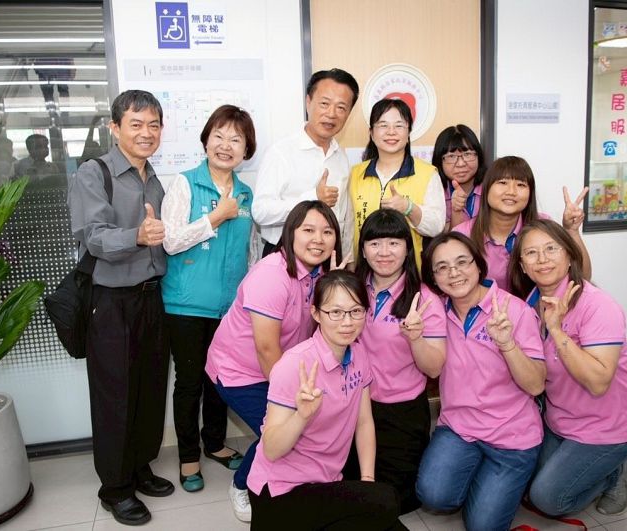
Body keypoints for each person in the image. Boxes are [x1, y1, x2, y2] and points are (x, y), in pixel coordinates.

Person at [206, 200, 346, 522]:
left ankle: (296, 482)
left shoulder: (322, 274)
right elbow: (267, 349)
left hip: (280, 366)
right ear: (291, 233)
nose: (318, 239)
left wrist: (336, 287)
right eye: (308, 230)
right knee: (279, 428)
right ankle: (241, 484)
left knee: (301, 425)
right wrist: (288, 402)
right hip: (239, 372)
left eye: (327, 232)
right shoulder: (272, 275)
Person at [68, 90, 171, 526]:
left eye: (154, 125)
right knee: (115, 396)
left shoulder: (156, 179)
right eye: (136, 124)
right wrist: (137, 236)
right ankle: (114, 487)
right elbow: (92, 237)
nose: (146, 133)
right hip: (111, 303)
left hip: (152, 297)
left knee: (149, 389)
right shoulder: (94, 173)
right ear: (115, 128)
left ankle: (139, 466)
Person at [509, 219, 627, 517]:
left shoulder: (597, 305)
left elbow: (598, 381)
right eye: (531, 253)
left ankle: (615, 471)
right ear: (522, 266)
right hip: (561, 420)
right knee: (524, 484)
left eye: (551, 249)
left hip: (607, 426)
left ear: (570, 255)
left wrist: (556, 330)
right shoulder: (528, 304)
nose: (542, 259)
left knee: (548, 499)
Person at [247, 270, 406, 530]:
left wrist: (367, 480)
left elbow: (364, 422)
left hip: (325, 484)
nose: (347, 322)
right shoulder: (295, 365)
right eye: (336, 312)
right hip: (280, 492)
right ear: (316, 313)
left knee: (385, 514)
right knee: (385, 501)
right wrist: (301, 416)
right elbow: (271, 449)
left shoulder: (359, 355)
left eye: (356, 311)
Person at [416, 232, 546, 531]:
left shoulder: (513, 310)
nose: (454, 273)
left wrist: (507, 343)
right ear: (433, 278)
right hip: (459, 428)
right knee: (433, 495)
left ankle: (503, 479)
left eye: (462, 262)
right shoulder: (435, 313)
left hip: (512, 436)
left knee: (483, 526)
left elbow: (536, 386)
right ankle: (481, 475)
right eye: (442, 267)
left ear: (478, 265)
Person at [160, 105, 256, 493]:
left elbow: (251, 252)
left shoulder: (246, 194)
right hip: (185, 305)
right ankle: (188, 457)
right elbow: (170, 241)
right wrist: (217, 216)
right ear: (205, 141)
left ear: (246, 150)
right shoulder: (184, 184)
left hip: (229, 308)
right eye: (219, 136)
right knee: (189, 383)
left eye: (236, 139)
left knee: (221, 381)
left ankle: (215, 443)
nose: (226, 145)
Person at [343, 208, 446, 514]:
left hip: (401, 411)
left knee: (392, 501)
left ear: (407, 248)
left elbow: (434, 368)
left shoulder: (424, 300)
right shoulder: (351, 288)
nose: (384, 252)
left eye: (393, 243)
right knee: (348, 490)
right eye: (375, 243)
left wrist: (416, 338)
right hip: (354, 404)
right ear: (363, 249)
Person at [252, 68, 359, 258]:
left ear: (349, 113)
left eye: (341, 107)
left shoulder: (341, 157)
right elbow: (261, 212)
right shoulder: (281, 152)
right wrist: (312, 198)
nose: (331, 113)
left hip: (327, 256)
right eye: (324, 103)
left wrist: (346, 257)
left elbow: (343, 216)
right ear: (308, 102)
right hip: (285, 256)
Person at [452, 155, 591, 293]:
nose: (511, 192)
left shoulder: (543, 228)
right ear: (486, 189)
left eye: (521, 185)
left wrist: (572, 231)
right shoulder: (463, 235)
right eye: (503, 182)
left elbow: (582, 278)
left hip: (538, 307)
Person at [349, 98, 445, 269]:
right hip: (362, 273)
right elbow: (347, 229)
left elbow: (436, 226)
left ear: (408, 133)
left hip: (410, 273)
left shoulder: (427, 173)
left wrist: (408, 207)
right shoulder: (355, 174)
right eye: (383, 125)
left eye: (399, 126)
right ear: (372, 133)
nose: (391, 132)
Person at [431, 124, 486, 230]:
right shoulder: (434, 193)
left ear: (478, 156)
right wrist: (456, 211)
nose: (460, 164)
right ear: (439, 161)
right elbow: (447, 238)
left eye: (467, 154)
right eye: (451, 156)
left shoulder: (492, 187)